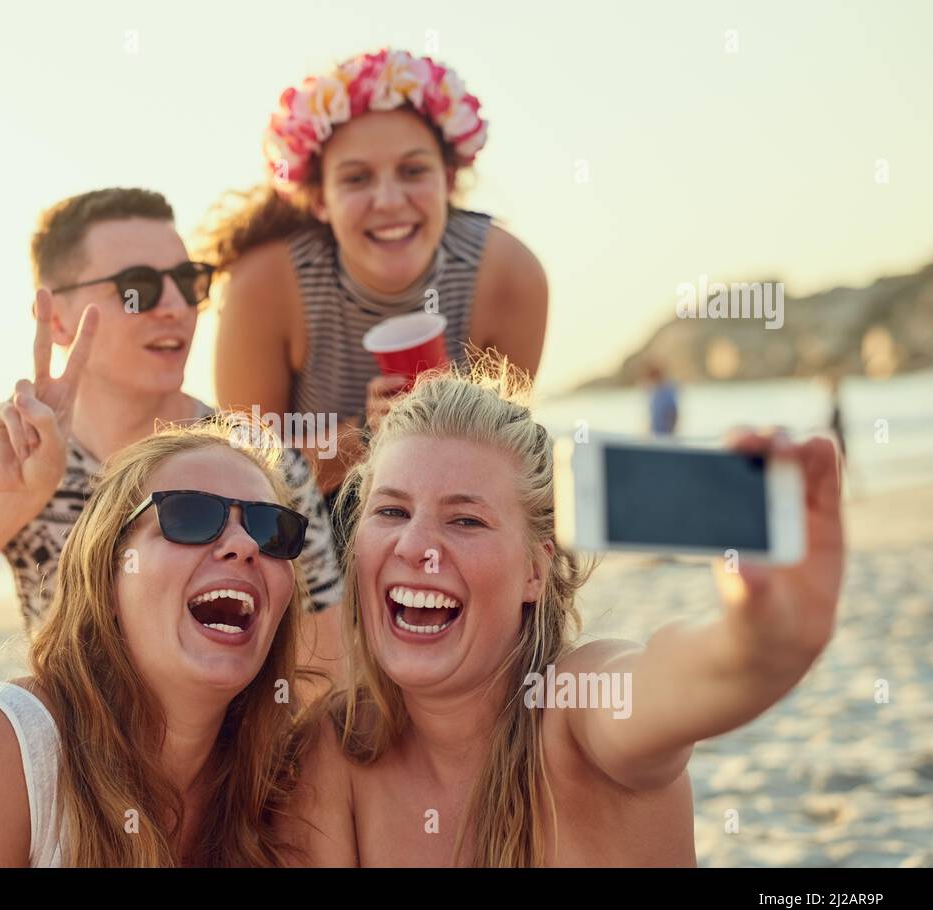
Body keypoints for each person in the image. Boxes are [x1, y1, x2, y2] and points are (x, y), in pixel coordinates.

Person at [289, 354, 845, 866]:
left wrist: (761, 643)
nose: (415, 546)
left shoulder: (572, 716)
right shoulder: (335, 752)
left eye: (466, 520)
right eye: (391, 510)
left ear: (536, 570)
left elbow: (672, 683)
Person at [0, 189, 343, 674]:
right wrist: (7, 497)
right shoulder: (2, 449)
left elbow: (325, 668)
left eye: (186, 281)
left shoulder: (253, 456)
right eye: (139, 288)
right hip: (74, 748)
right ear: (57, 320)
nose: (174, 306)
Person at [0, 422, 321, 866]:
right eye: (190, 517)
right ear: (109, 578)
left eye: (271, 528)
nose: (244, 544)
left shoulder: (292, 784)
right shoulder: (12, 744)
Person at [200, 48, 549, 508]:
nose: (388, 200)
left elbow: (509, 461)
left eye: (412, 171)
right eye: (356, 178)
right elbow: (248, 477)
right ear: (319, 199)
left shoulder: (507, 275)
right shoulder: (266, 285)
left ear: (447, 179)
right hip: (305, 527)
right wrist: (365, 437)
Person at [643, 359, 679, 437]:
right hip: (656, 436)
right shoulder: (655, 391)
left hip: (665, 437)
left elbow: (673, 413)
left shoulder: (667, 390)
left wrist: (669, 434)